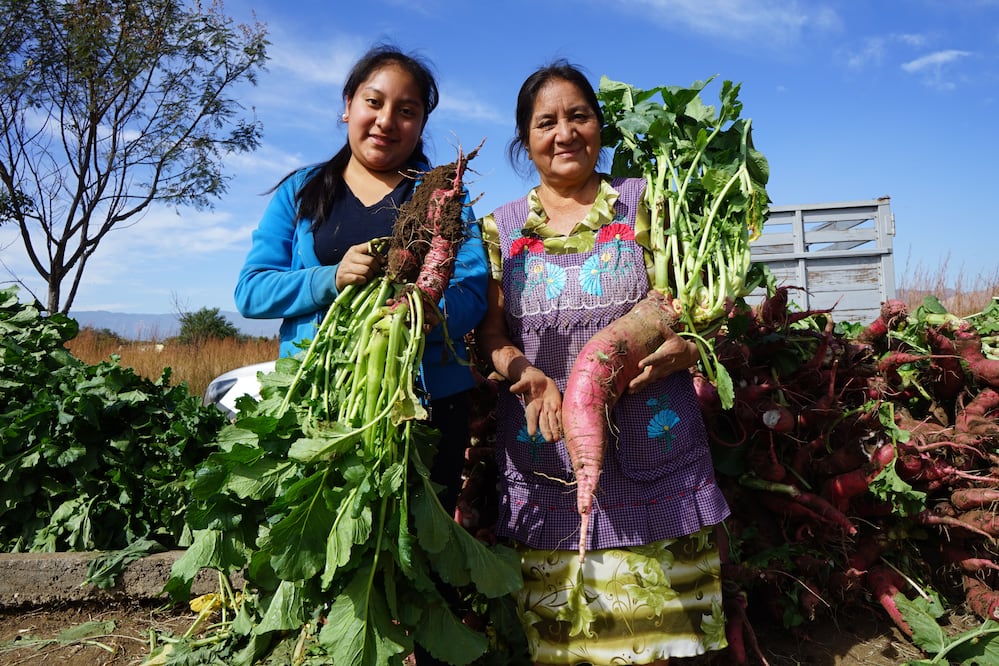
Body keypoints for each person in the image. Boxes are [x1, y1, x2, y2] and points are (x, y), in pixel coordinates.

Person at [234, 45, 488, 665]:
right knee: (334, 559)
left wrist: (424, 311)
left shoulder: (442, 195)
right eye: (373, 103)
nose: (386, 121)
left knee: (418, 559)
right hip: (325, 400)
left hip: (424, 403)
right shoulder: (302, 193)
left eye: (406, 110)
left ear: (422, 124)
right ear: (347, 108)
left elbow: (474, 288)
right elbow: (251, 290)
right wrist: (329, 278)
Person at [475, 60, 731, 666]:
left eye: (578, 116)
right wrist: (520, 370)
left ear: (600, 126)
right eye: (546, 123)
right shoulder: (499, 229)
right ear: (526, 139)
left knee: (667, 645)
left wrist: (689, 347)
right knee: (571, 647)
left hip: (657, 457)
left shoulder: (646, 201)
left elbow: (706, 306)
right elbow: (488, 336)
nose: (564, 133)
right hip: (553, 459)